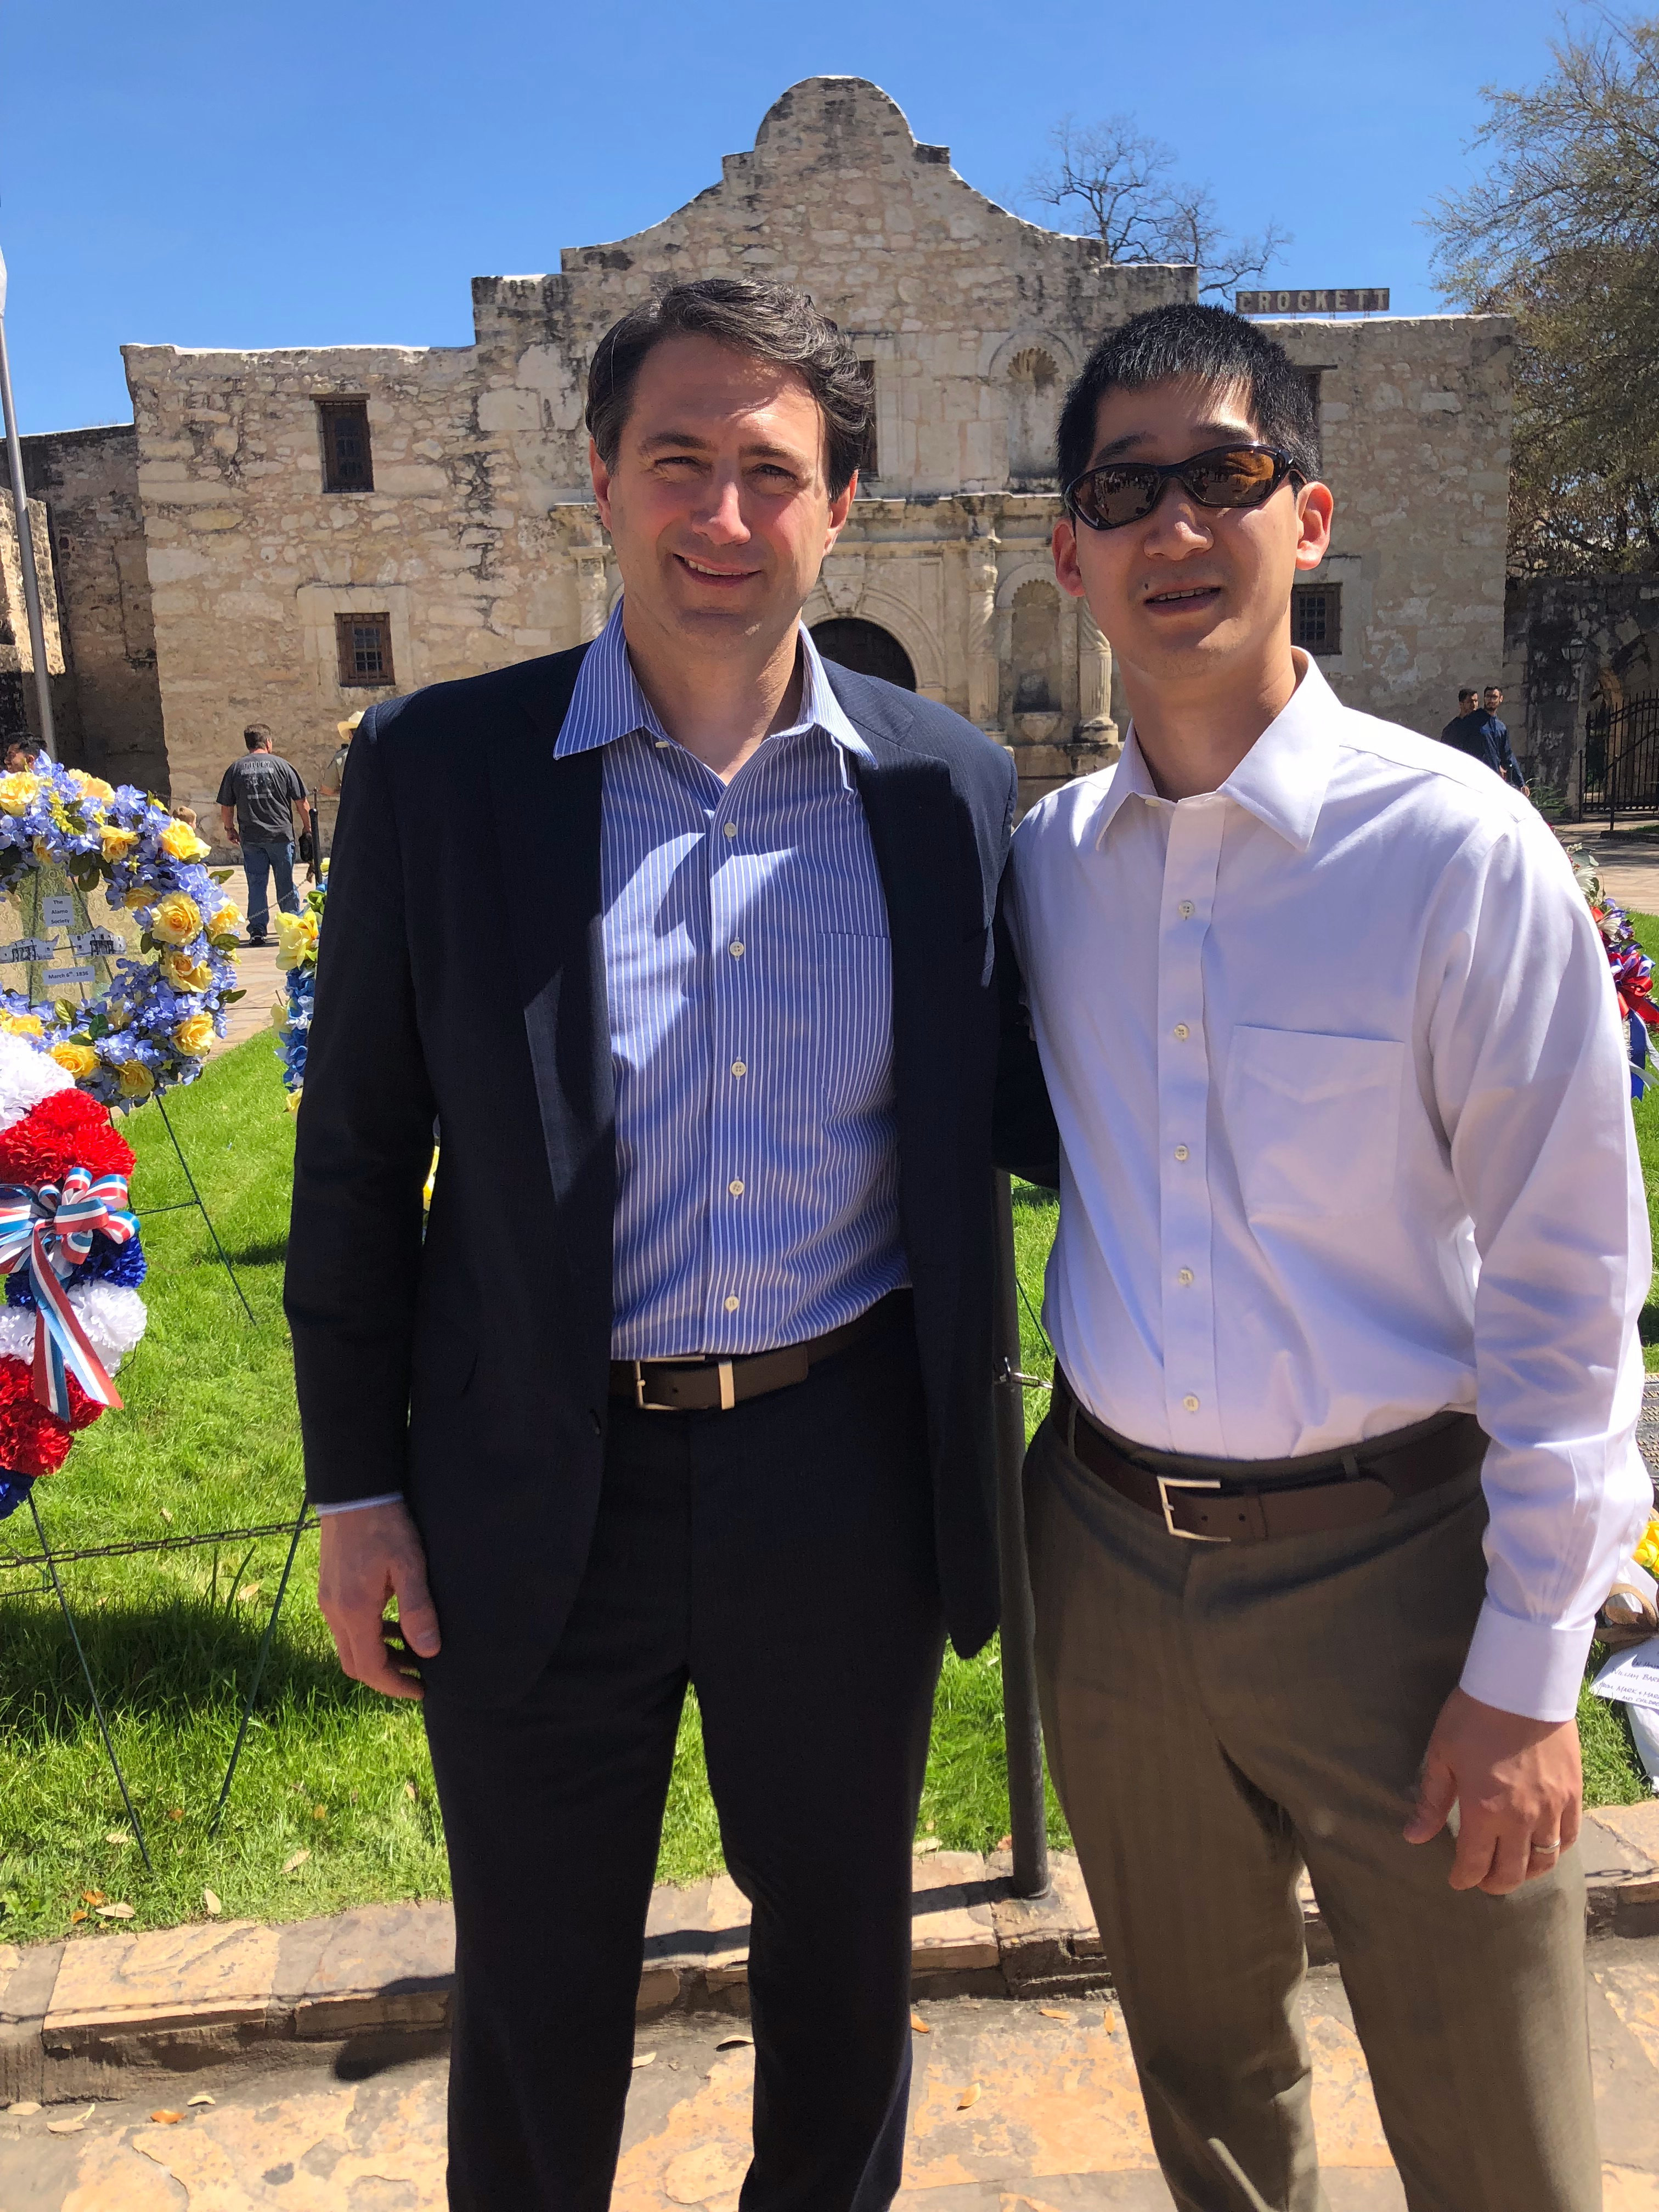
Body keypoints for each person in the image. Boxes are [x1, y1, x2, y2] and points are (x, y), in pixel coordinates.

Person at [286, 277, 1015, 2210]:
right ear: (598, 478)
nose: (719, 513)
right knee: (534, 1983)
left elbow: (1034, 1113)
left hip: (836, 1465)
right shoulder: (438, 775)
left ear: (837, 503)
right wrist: (356, 1488)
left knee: (844, 1960)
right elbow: (357, 1158)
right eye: (675, 460)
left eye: (767, 472)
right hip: (535, 1472)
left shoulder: (948, 794)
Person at [996, 301, 1649, 2210]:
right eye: (1127, 489)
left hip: (1401, 1577)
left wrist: (1530, 1671)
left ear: (1310, 511)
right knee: (1205, 2093)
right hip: (1111, 1565)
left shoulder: (1456, 854)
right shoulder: (1048, 864)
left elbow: (1566, 1286)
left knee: (1497, 2122)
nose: (1175, 525)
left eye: (1224, 474)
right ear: (1070, 554)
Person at [216, 725, 310, 946]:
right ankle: (291, 928)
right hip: (280, 836)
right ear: (268, 742)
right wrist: (307, 829)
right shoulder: (283, 766)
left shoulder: (235, 769)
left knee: (256, 884)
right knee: (285, 883)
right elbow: (302, 803)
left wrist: (230, 829)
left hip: (252, 838)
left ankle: (258, 930)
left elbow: (226, 806)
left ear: (248, 744)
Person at [1480, 681, 1529, 792]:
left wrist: (1521, 783)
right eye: (1488, 697)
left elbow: (1508, 755)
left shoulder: (1501, 727)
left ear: (1500, 699)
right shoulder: (1474, 721)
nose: (1491, 700)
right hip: (1479, 776)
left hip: (1496, 780)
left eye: (1494, 697)